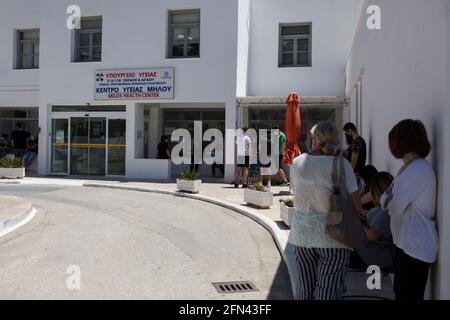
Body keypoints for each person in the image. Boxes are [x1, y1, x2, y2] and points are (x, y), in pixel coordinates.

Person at [289, 121, 366, 300]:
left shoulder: (297, 162)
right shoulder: (342, 165)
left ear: (314, 139)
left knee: (304, 288)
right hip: (334, 236)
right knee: (328, 291)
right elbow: (357, 205)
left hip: (302, 236)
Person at [381, 119, 438, 301]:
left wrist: (388, 198)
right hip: (406, 244)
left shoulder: (418, 170)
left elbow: (394, 206)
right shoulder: (407, 169)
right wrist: (388, 198)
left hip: (415, 246)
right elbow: (385, 200)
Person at [350, 172, 395, 272]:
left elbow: (372, 236)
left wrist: (356, 222)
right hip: (375, 252)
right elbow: (370, 217)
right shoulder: (383, 208)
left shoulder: (386, 211)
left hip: (379, 256)